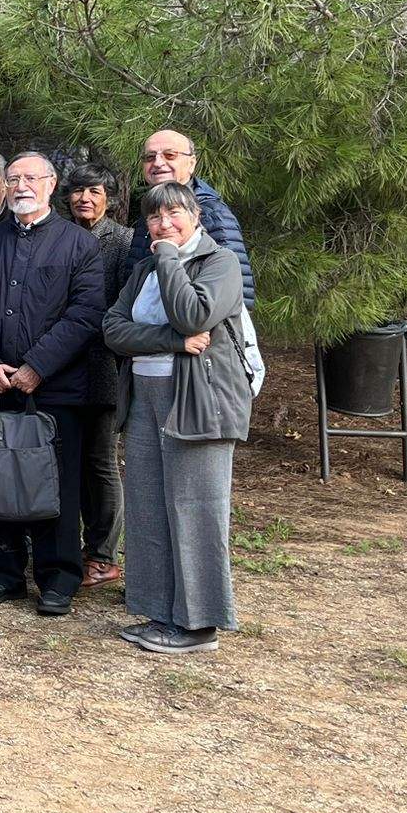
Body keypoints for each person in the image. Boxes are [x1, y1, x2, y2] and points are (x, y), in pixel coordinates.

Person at [103, 182, 254, 654]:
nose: (163, 223)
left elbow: (193, 314)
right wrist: (169, 340)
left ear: (196, 216)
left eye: (173, 213)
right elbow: (113, 329)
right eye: (153, 217)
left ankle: (199, 625)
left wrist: (169, 257)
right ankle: (161, 612)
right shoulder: (145, 268)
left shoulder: (219, 263)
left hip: (197, 399)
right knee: (148, 506)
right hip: (145, 394)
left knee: (194, 508)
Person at [0, 152, 104, 617]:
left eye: (30, 178)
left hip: (54, 390)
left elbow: (85, 314)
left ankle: (58, 578)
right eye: (13, 178)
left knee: (55, 484)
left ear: (51, 184)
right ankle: (5, 574)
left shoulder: (79, 244)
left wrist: (38, 365)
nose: (21, 186)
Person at [66, 162, 133, 587]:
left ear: (108, 197)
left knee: (100, 463)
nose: (84, 198)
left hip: (103, 366)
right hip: (59, 367)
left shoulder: (124, 242)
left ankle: (104, 553)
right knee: (67, 462)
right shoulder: (59, 236)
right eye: (77, 191)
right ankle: (70, 546)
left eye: (93, 191)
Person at [129, 129, 256, 308]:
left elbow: (237, 288)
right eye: (150, 157)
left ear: (191, 163)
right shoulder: (149, 212)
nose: (158, 163)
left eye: (170, 155)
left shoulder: (211, 213)